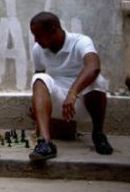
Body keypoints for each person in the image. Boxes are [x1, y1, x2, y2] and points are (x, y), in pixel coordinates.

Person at [27, 11, 114, 162]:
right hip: (59, 104)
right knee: (39, 77)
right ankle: (46, 143)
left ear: (53, 29)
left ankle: (98, 134)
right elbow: (39, 84)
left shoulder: (80, 41)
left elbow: (94, 67)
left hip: (83, 103)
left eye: (39, 36)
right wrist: (35, 104)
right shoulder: (38, 50)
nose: (36, 40)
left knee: (98, 80)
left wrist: (73, 93)